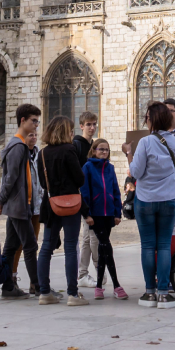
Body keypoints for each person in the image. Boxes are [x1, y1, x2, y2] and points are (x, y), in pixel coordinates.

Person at [123, 101, 175, 309]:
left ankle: (150, 292)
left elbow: (136, 172)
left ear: (151, 119)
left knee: (148, 246)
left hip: (146, 200)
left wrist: (128, 154)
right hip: (169, 198)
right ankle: (164, 294)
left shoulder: (146, 142)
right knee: (164, 245)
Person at [36, 116, 89, 306]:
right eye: (70, 130)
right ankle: (72, 294)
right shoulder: (69, 150)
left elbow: (43, 183)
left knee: (46, 247)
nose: (72, 133)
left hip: (51, 205)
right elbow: (80, 179)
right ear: (64, 131)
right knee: (70, 247)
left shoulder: (42, 153)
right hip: (70, 203)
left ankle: (44, 292)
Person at [0, 104, 41, 299]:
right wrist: (0, 201)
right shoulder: (18, 146)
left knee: (11, 247)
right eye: (33, 121)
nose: (36, 125)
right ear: (23, 121)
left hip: (20, 204)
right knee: (30, 246)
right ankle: (39, 287)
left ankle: (8, 287)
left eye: (37, 121)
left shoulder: (19, 145)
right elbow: (9, 179)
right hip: (19, 206)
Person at [81, 139, 127, 300]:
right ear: (94, 150)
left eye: (106, 150)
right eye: (101, 149)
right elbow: (84, 192)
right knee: (106, 246)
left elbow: (115, 191)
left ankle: (99, 287)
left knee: (102, 249)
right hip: (96, 214)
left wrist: (117, 213)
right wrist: (86, 214)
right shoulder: (87, 167)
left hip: (109, 214)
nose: (104, 152)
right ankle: (116, 285)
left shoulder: (110, 168)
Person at [75, 111, 100, 285]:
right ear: (82, 126)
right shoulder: (77, 145)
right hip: (82, 196)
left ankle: (83, 273)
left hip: (94, 195)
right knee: (93, 236)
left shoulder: (94, 145)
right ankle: (99, 270)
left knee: (87, 237)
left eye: (94, 124)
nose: (92, 128)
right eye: (89, 124)